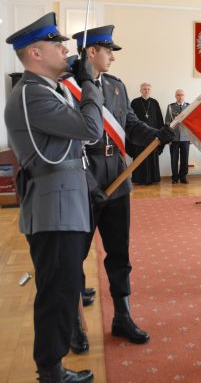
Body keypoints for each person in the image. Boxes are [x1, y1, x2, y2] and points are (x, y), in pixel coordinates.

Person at [4, 12, 103, 383]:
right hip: (54, 208)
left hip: (65, 203)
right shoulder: (32, 95)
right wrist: (89, 82)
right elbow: (90, 130)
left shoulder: (47, 90)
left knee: (61, 290)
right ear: (35, 53)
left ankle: (53, 368)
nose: (66, 50)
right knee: (57, 294)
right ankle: (51, 372)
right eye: (57, 45)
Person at [71, 25, 175, 346]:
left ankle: (122, 315)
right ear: (92, 52)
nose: (113, 57)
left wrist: (156, 134)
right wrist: (88, 184)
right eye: (108, 51)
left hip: (117, 177)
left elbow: (130, 125)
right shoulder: (68, 87)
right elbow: (67, 143)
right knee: (74, 254)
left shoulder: (116, 87)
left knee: (119, 252)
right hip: (82, 179)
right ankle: (74, 322)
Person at [129, 82, 164, 185]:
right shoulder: (134, 102)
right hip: (139, 136)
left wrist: (160, 134)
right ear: (140, 90)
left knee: (152, 156)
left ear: (150, 90)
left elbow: (159, 120)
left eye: (148, 89)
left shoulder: (154, 102)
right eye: (144, 89)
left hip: (153, 136)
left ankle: (153, 178)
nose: (146, 91)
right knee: (140, 157)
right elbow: (130, 119)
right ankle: (139, 179)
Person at [165, 89, 191, 184]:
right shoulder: (170, 107)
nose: (180, 97)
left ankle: (183, 176)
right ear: (175, 96)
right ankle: (175, 177)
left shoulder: (189, 106)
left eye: (182, 95)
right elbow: (167, 121)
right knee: (174, 158)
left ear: (184, 96)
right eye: (178, 95)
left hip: (185, 137)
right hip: (174, 137)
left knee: (185, 158)